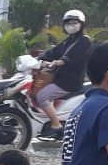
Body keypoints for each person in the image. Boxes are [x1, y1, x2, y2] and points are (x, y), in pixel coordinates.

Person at [35, 9, 92, 138]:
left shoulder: (84, 41)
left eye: (74, 22)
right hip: (60, 78)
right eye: (68, 23)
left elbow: (74, 56)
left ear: (81, 24)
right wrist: (38, 58)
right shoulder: (68, 41)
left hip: (70, 81)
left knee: (42, 96)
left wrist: (60, 62)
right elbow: (53, 52)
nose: (71, 25)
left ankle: (56, 126)